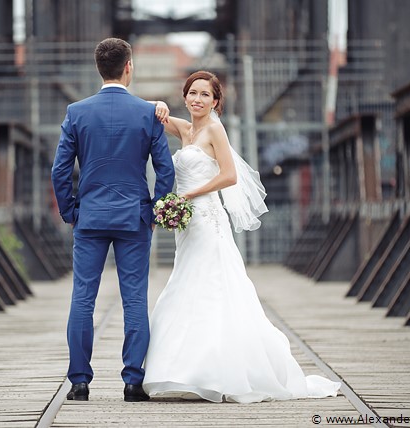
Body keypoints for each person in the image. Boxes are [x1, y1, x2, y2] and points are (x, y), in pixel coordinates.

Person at [143, 71, 341, 403]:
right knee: (186, 281)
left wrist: (187, 197)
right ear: (185, 96)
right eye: (192, 93)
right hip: (188, 226)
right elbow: (140, 109)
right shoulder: (185, 129)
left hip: (207, 219)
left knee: (211, 285)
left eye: (205, 95)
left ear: (216, 101)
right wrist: (159, 103)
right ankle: (185, 369)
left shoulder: (214, 130)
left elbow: (229, 176)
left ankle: (219, 371)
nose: (197, 99)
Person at [51, 38, 175, 402]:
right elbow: (164, 171)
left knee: (83, 298)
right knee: (135, 298)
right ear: (129, 66)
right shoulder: (147, 113)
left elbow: (60, 170)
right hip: (134, 218)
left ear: (98, 68)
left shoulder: (76, 112)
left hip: (89, 217)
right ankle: (133, 381)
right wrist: (154, 210)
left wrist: (70, 211)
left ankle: (79, 382)